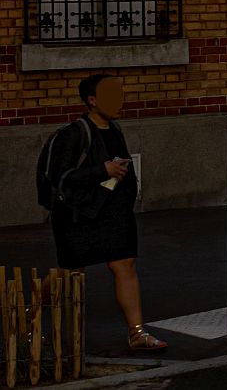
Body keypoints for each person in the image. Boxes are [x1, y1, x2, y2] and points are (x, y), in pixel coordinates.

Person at [46, 74, 167, 353]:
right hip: (80, 215)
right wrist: (103, 170)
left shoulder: (115, 129)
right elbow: (62, 176)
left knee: (124, 265)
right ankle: (30, 312)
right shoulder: (75, 132)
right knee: (69, 270)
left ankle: (136, 333)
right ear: (92, 100)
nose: (119, 101)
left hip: (113, 211)